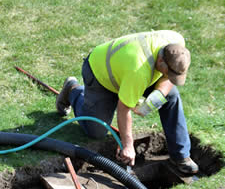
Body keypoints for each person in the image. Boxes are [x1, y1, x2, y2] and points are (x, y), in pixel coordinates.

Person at [56, 30, 199, 174]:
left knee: (171, 96)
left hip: (126, 71)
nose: (170, 77)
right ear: (161, 61)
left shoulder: (177, 44)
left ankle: (181, 155)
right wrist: (128, 145)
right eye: (169, 73)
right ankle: (73, 90)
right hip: (101, 74)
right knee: (96, 131)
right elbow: (123, 109)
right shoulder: (138, 71)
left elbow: (168, 80)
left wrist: (156, 99)